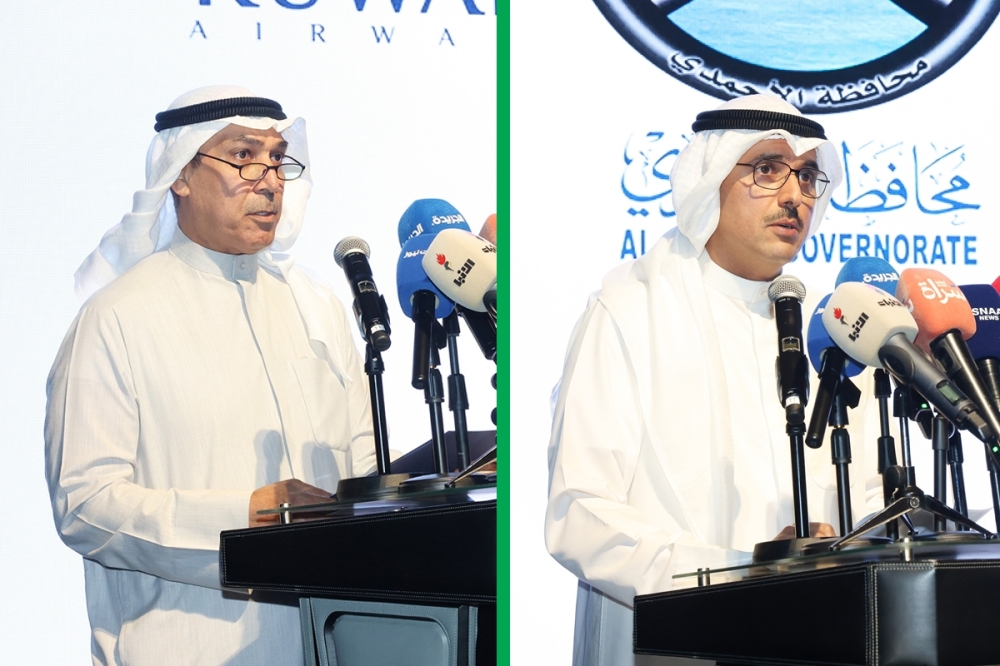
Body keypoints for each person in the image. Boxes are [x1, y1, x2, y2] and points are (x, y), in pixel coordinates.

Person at [545, 94, 886, 665]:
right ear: (710, 180)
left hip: (821, 637)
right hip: (669, 644)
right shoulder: (630, 311)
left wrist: (846, 552)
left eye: (807, 176)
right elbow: (579, 512)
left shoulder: (834, 331)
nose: (794, 196)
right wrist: (739, 575)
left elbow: (873, 495)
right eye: (768, 169)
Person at [45, 85, 377, 665]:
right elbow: (85, 505)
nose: (269, 181)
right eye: (244, 156)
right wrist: (239, 519)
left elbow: (363, 466)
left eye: (277, 159)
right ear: (180, 173)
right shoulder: (116, 317)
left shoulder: (317, 307)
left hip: (330, 644)